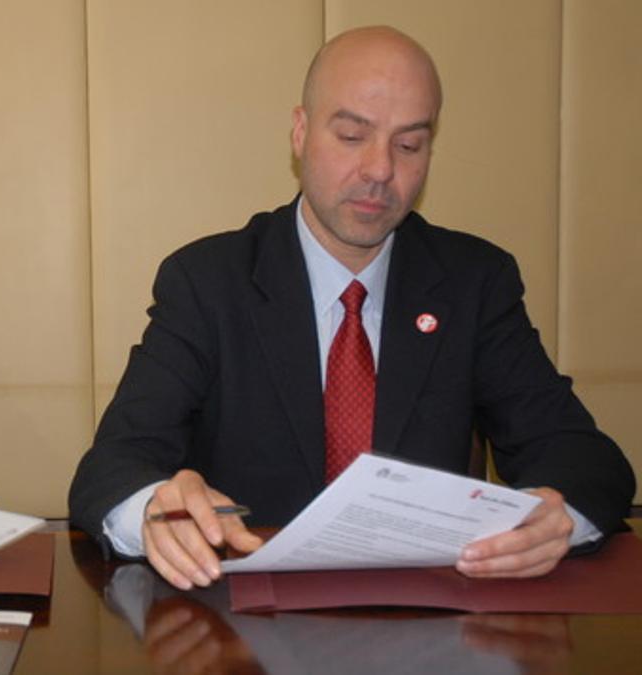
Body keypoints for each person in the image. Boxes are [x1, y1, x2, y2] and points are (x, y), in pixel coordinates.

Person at [67, 26, 634, 590]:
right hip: (240, 629)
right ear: (300, 132)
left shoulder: (473, 282)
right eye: (352, 136)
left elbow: (582, 456)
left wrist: (557, 518)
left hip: (426, 625)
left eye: (409, 144)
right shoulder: (209, 282)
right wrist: (152, 513)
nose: (381, 170)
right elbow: (114, 466)